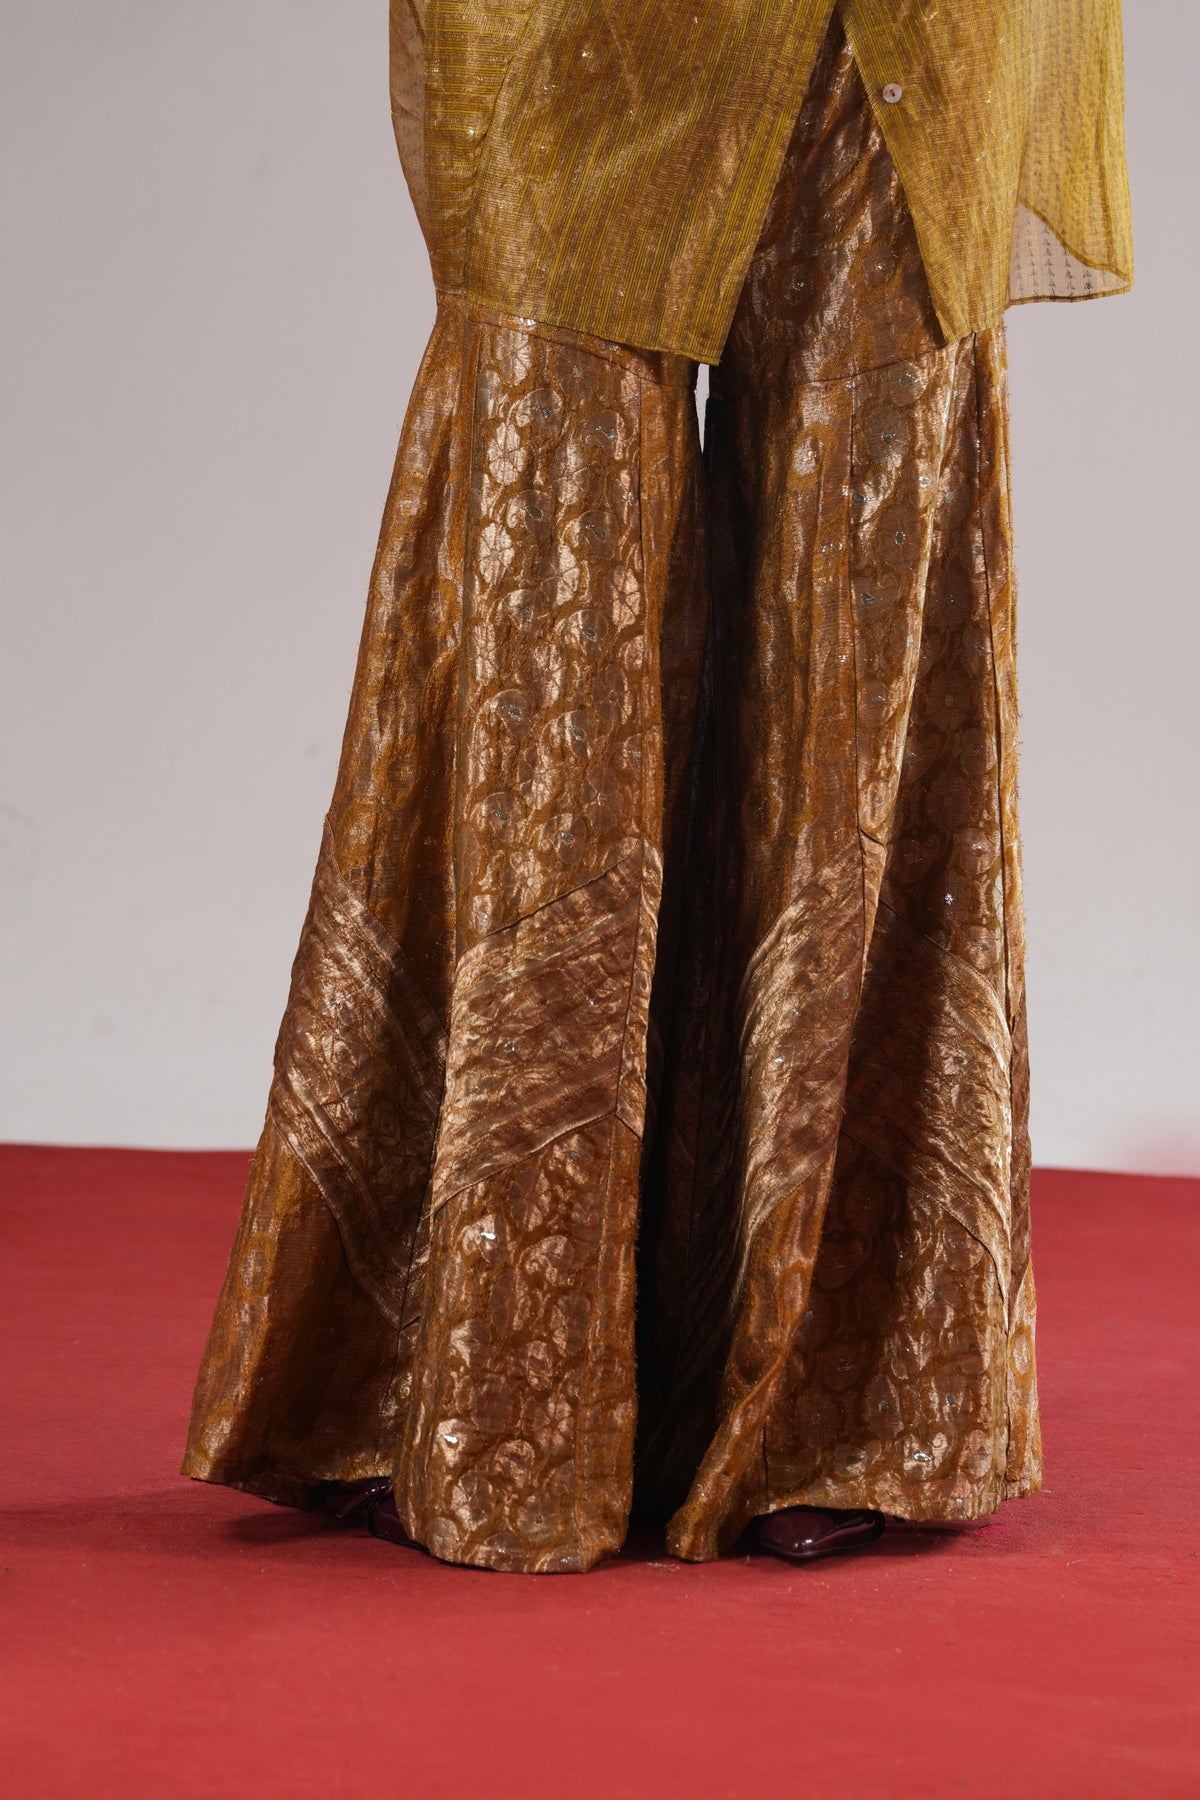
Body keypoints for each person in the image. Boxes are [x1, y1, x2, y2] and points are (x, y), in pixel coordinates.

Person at [183, 1, 1132, 1571]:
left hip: (904, 38)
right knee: (551, 630)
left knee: (867, 634)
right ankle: (469, 1368)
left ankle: (846, 1399)